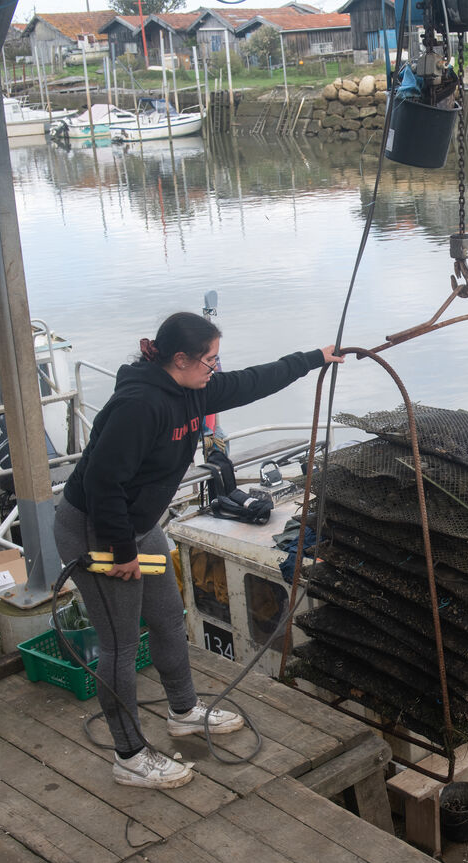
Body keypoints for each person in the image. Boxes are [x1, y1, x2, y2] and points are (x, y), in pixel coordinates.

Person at [55, 311, 344, 789]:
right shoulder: (138, 405)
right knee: (120, 644)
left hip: (137, 524)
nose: (216, 369)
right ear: (180, 359)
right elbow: (104, 483)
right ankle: (129, 756)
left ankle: (184, 711)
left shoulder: (195, 388)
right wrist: (122, 552)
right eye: (210, 360)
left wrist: (314, 358)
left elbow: (253, 381)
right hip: (96, 530)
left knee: (169, 617)